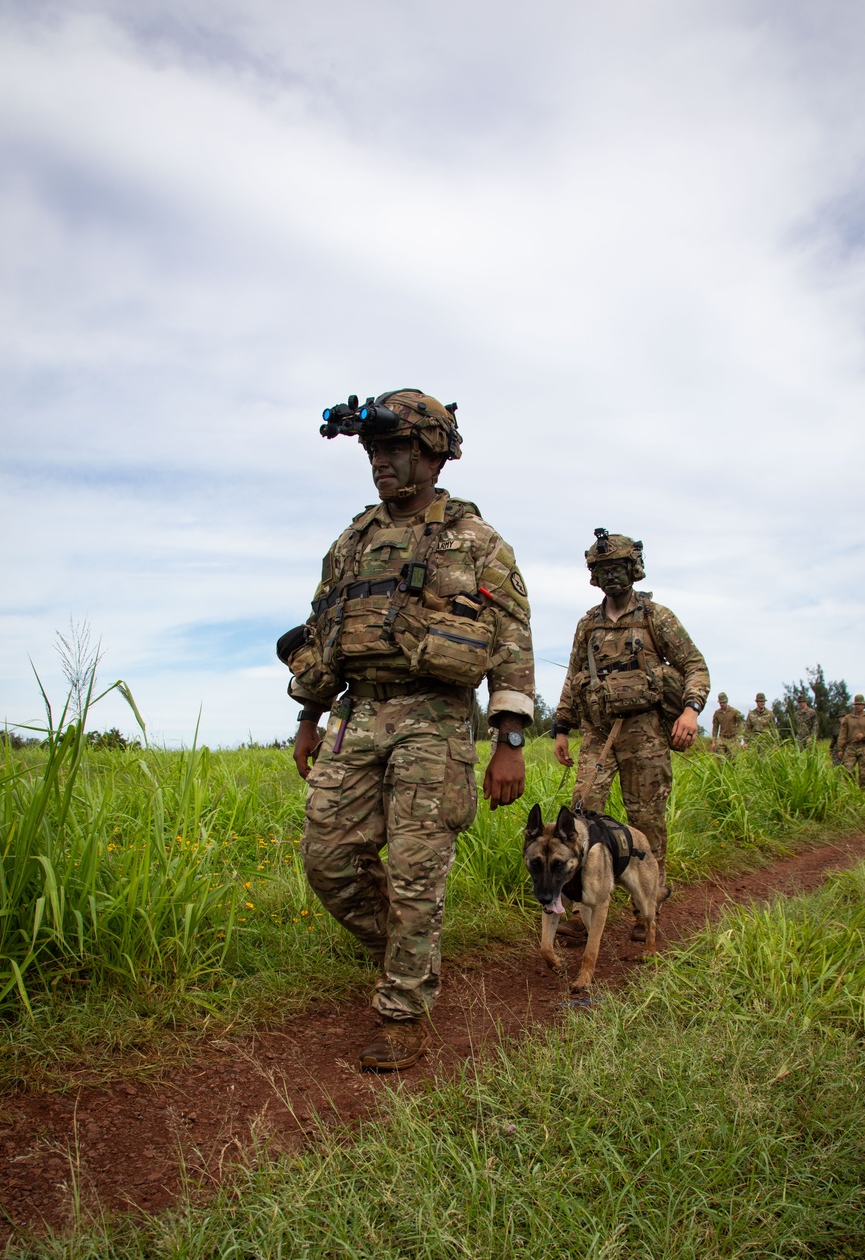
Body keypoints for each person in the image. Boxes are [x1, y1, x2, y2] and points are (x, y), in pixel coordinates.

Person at [286, 390, 534, 1071]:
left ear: (431, 455)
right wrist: (309, 717)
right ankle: (410, 951)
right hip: (357, 714)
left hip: (436, 717)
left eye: (394, 450)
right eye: (373, 452)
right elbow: (325, 632)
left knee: (419, 870)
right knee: (327, 859)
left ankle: (404, 1010)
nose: (381, 464)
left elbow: (512, 644)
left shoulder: (478, 542)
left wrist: (508, 743)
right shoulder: (352, 542)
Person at [553, 530, 709, 899]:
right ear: (595, 575)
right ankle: (581, 902)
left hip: (645, 734)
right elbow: (573, 677)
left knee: (646, 820)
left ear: (633, 568)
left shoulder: (656, 617)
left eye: (618, 567)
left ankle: (650, 900)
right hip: (598, 735)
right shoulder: (588, 624)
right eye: (603, 569)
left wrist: (690, 711)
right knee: (581, 817)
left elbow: (695, 665)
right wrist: (561, 727)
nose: (611, 576)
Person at [837, 694, 865, 787]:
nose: (857, 706)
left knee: (864, 773)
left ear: (864, 705)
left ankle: (862, 792)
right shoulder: (848, 718)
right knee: (847, 769)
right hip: (851, 747)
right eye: (856, 704)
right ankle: (852, 788)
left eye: (860, 704)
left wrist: (864, 735)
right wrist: (840, 749)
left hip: (864, 747)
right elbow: (843, 734)